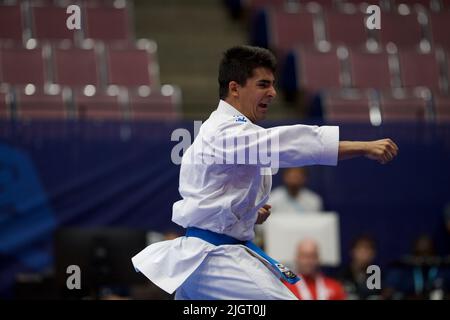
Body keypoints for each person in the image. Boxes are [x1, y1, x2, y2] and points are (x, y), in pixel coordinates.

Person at [131, 45, 399, 300]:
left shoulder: (219, 130)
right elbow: (290, 144)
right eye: (263, 84)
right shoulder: (226, 132)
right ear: (234, 88)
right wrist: (363, 146)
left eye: (273, 84)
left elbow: (209, 195)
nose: (272, 93)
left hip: (202, 258)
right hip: (216, 259)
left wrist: (247, 212)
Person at [338, 235, 381, 299]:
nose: (364, 253)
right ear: (352, 251)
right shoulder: (341, 275)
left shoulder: (378, 276)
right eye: (360, 248)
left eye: (367, 249)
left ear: (373, 254)